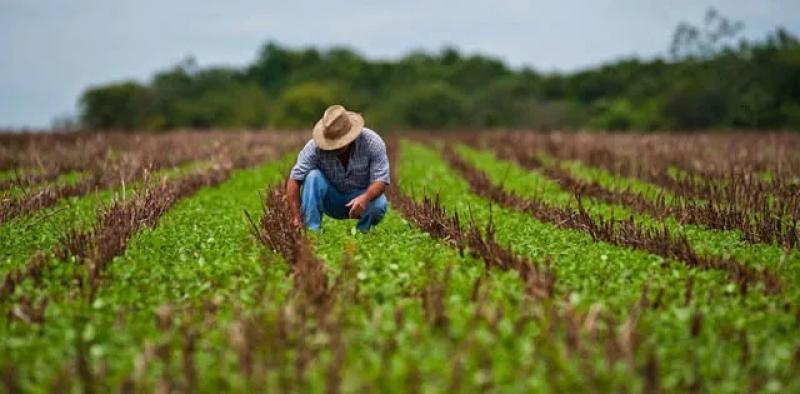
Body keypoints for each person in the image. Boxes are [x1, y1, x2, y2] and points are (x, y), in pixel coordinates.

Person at [287, 104, 390, 232]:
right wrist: (296, 217)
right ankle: (312, 232)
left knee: (379, 204)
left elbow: (381, 180)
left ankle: (362, 233)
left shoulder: (372, 142)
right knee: (313, 176)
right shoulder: (314, 147)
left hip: (361, 198)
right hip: (332, 200)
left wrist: (365, 197)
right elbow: (294, 180)